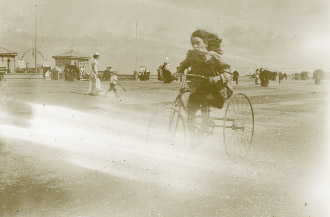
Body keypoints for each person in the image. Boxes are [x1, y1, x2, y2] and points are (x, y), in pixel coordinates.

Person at [176, 29, 232, 137]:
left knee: (203, 96)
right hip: (199, 88)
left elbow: (229, 73)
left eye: (198, 43)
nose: (195, 46)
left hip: (217, 89)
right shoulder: (192, 55)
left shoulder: (213, 56)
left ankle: (206, 123)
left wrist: (218, 78)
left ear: (205, 43)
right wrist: (178, 72)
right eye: (193, 44)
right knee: (190, 110)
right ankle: (193, 136)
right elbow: (184, 64)